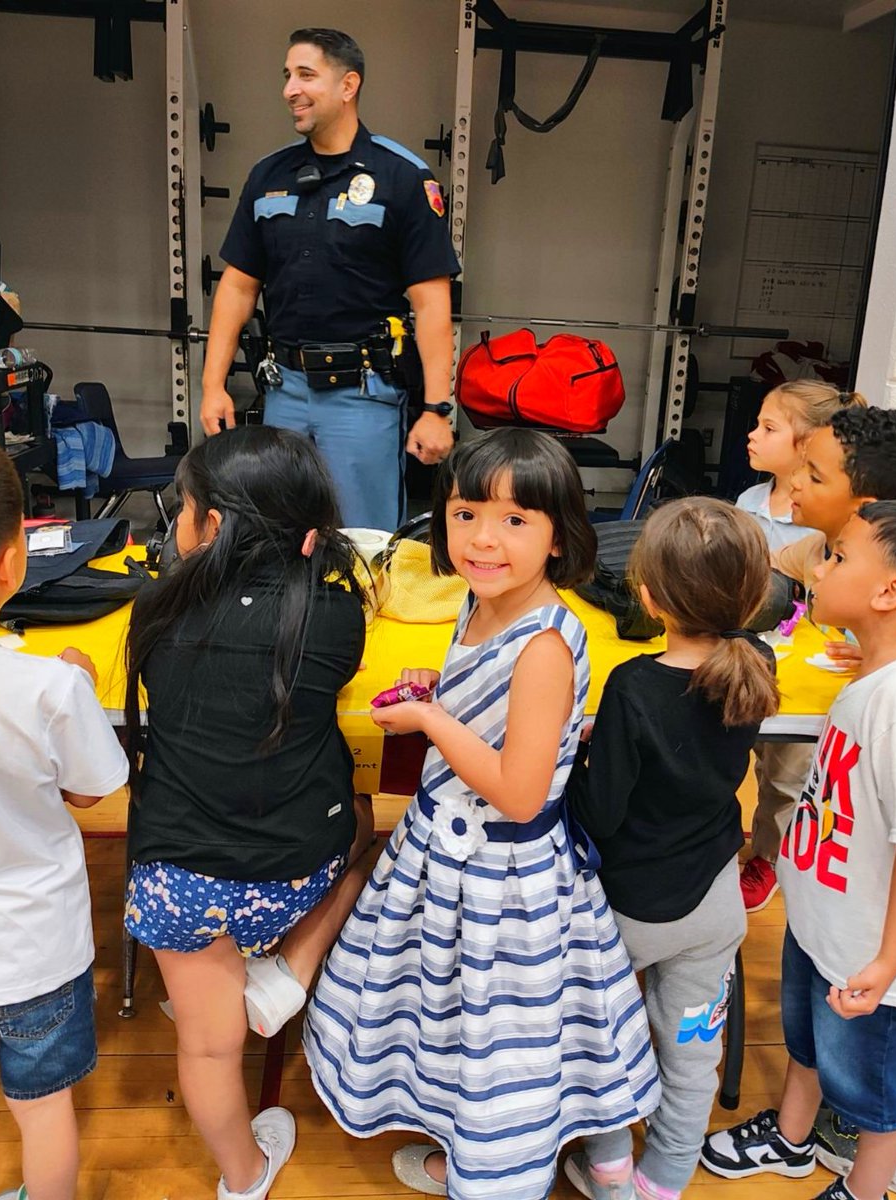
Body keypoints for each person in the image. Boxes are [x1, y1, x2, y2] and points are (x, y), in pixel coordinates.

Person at [303, 428, 660, 1199]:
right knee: (455, 1018)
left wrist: (432, 722)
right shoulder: (482, 602)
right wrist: (443, 691)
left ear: (559, 536)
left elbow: (522, 792)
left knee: (500, 1039)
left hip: (504, 876)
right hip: (446, 860)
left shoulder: (543, 647)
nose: (483, 539)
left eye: (515, 521)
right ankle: (467, 1147)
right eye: (465, 515)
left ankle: (493, 1173)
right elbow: (489, 709)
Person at [122, 426, 376, 1200]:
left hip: (176, 885)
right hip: (293, 870)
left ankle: (242, 1179)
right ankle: (288, 971)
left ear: (208, 525)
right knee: (366, 831)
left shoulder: (155, 610)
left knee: (206, 1050)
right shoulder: (336, 621)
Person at [702, 500, 896, 1200]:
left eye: (836, 555)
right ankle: (792, 1138)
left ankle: (863, 1189)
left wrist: (889, 961)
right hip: (823, 921)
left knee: (877, 1094)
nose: (817, 564)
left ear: (892, 592)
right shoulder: (883, 676)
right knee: (806, 1042)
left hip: (871, 952)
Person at [564, 498, 779, 1200]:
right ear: (751, 593)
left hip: (628, 911)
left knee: (599, 1043)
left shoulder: (631, 685)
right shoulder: (758, 661)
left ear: (648, 596)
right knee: (692, 1056)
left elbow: (602, 811)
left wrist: (575, 769)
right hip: (714, 906)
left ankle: (608, 1170)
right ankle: (662, 1184)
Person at [200, 27, 460, 530]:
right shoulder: (267, 176)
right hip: (285, 394)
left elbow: (432, 305)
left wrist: (437, 409)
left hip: (361, 398)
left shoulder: (402, 178)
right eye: (286, 76)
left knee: (362, 543)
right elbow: (237, 286)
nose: (289, 90)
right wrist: (214, 385)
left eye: (305, 75)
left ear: (348, 85)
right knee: (278, 539)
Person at [0, 430, 129, 1200]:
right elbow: (93, 789)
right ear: (13, 560)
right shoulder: (46, 689)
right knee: (42, 1111)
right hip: (29, 948)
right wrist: (78, 684)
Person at [737, 382, 867, 913]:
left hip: (816, 692)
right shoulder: (799, 533)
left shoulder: (845, 538)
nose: (753, 435)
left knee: (786, 777)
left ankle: (769, 856)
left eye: (770, 428)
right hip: (769, 668)